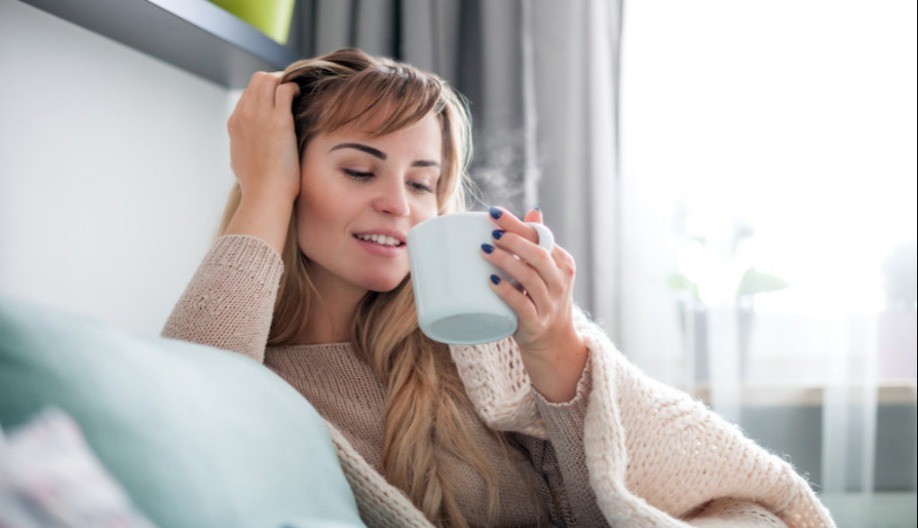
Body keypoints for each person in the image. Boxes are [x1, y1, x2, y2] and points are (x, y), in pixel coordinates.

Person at [163, 48, 835, 528]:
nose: (399, 204)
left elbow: (602, 511)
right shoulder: (246, 361)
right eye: (361, 172)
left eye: (423, 182)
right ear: (287, 176)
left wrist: (557, 356)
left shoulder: (473, 338)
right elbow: (183, 421)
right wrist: (265, 188)